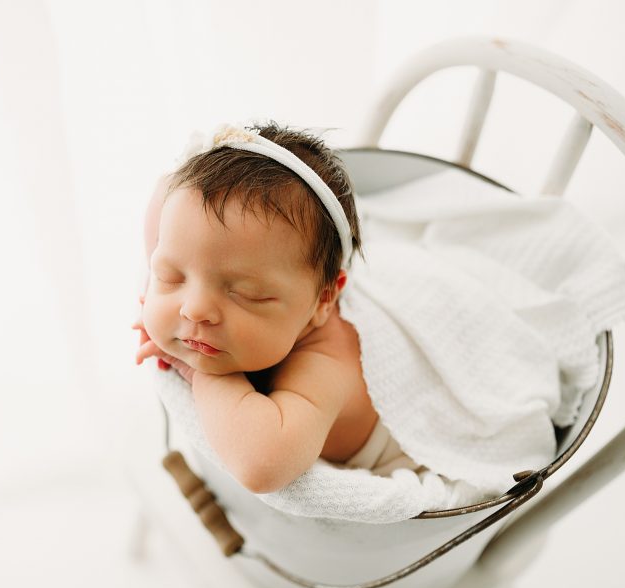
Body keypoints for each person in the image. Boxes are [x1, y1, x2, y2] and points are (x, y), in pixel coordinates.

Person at [135, 122, 420, 494]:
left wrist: (200, 375)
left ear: (323, 300)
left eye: (248, 294)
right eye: (170, 275)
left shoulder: (327, 360)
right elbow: (164, 194)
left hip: (396, 448)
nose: (194, 309)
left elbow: (262, 466)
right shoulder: (244, 282)